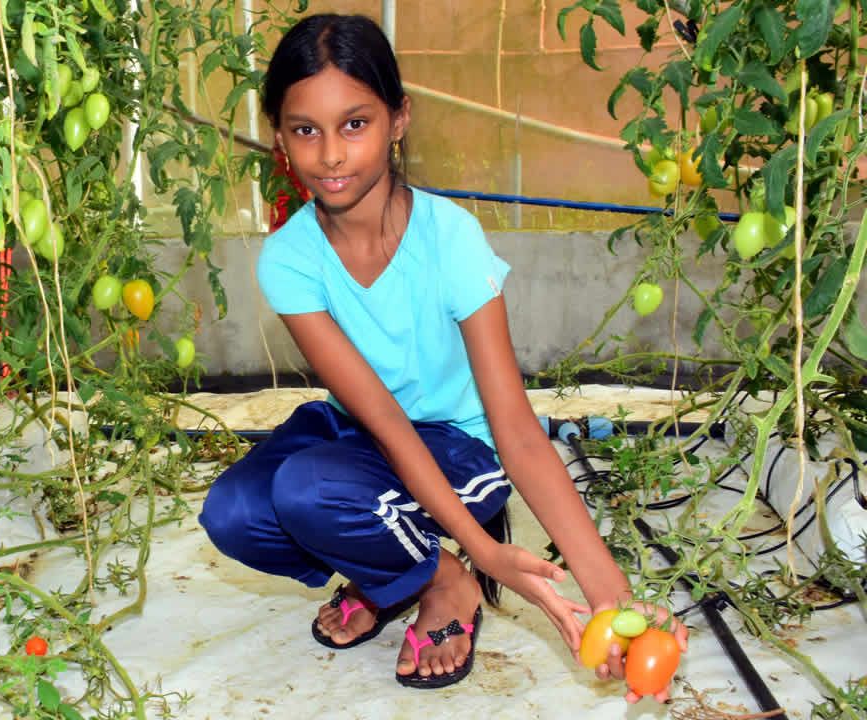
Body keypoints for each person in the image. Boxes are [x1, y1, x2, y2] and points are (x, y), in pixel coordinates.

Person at [198, 13, 688, 699]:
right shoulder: (289, 258)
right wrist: (480, 556)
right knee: (234, 511)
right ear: (279, 135)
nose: (331, 155)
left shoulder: (450, 238)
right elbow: (381, 420)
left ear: (399, 119)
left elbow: (516, 429)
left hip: (458, 448)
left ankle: (413, 579)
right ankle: (438, 576)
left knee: (308, 491)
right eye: (306, 129)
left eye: (355, 123)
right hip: (361, 437)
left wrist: (613, 598)